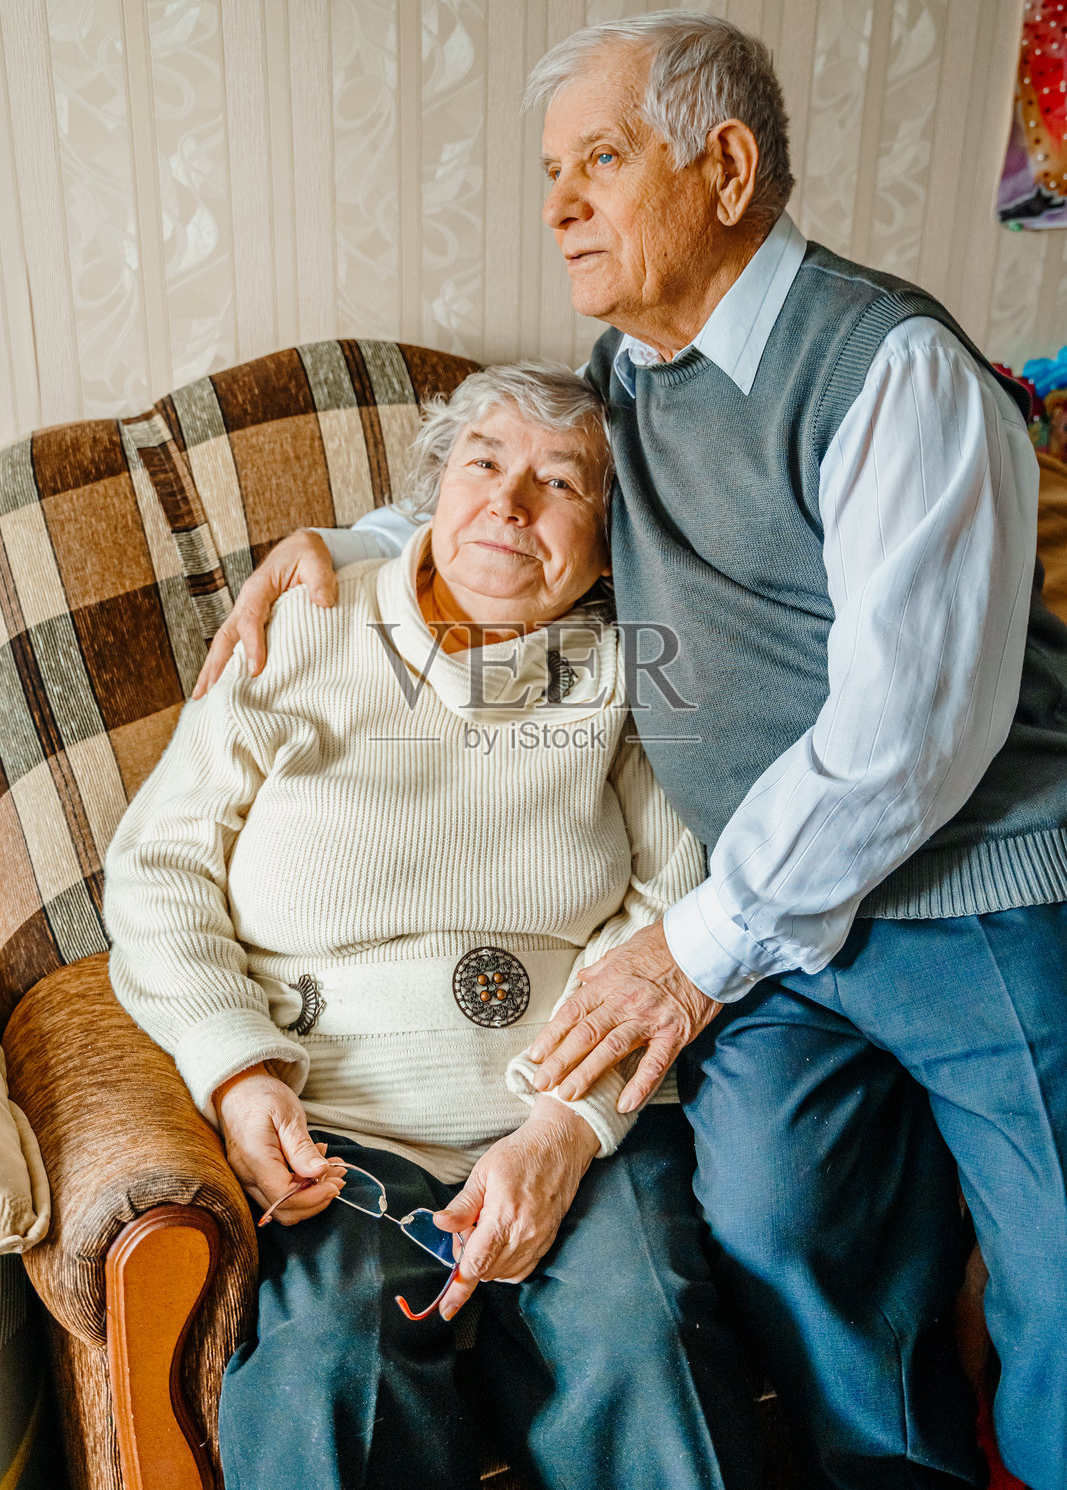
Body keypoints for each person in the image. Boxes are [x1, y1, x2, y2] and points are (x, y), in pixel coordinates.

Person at [190, 14, 1067, 1490]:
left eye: (597, 160)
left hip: (969, 887)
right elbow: (518, 498)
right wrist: (336, 541)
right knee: (778, 1224)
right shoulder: (636, 371)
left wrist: (689, 951)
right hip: (776, 928)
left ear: (724, 168)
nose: (557, 207)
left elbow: (910, 735)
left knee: (1059, 1257)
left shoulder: (891, 372)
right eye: (550, 172)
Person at [105, 361, 758, 1490]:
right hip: (337, 1128)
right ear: (435, 489)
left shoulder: (634, 673)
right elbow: (158, 871)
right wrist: (238, 1075)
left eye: (561, 482)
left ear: (612, 544)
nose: (508, 504)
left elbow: (668, 909)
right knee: (333, 1370)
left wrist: (564, 1128)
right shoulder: (302, 626)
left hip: (564, 1121)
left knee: (649, 1343)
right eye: (482, 465)